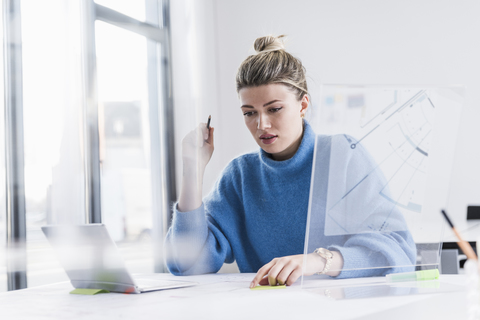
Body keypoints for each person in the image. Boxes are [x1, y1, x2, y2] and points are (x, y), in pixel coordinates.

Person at [165, 35, 416, 287]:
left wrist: (317, 262)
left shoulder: (343, 155)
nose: (261, 124)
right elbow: (185, 263)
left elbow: (399, 250)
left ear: (303, 104)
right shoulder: (240, 175)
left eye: (274, 109)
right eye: (249, 113)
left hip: (340, 308)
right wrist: (192, 170)